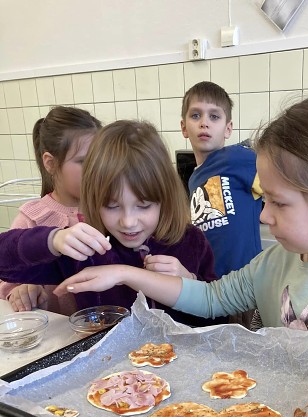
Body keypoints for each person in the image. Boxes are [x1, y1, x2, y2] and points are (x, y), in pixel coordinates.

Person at [39, 93, 308, 402]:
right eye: (262, 198)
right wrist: (126, 273)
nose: (262, 215)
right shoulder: (276, 262)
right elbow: (210, 296)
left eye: (277, 202)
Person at [0, 119, 219, 327]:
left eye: (143, 206)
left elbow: (219, 319)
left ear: (165, 198)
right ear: (94, 201)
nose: (128, 222)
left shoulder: (191, 241)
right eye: (112, 206)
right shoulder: (86, 249)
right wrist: (53, 239)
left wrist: (190, 283)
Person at [0, 106, 101, 315]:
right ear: (51, 163)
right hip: (62, 337)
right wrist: (21, 290)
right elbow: (8, 278)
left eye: (101, 160)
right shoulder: (32, 219)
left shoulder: (113, 210)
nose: (97, 170)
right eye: (84, 162)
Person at [181, 81, 263, 278]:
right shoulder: (194, 178)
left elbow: (284, 184)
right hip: (210, 287)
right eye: (195, 115)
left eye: (214, 116)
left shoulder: (239, 158)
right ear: (184, 128)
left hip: (244, 285)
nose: (204, 122)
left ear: (228, 129)